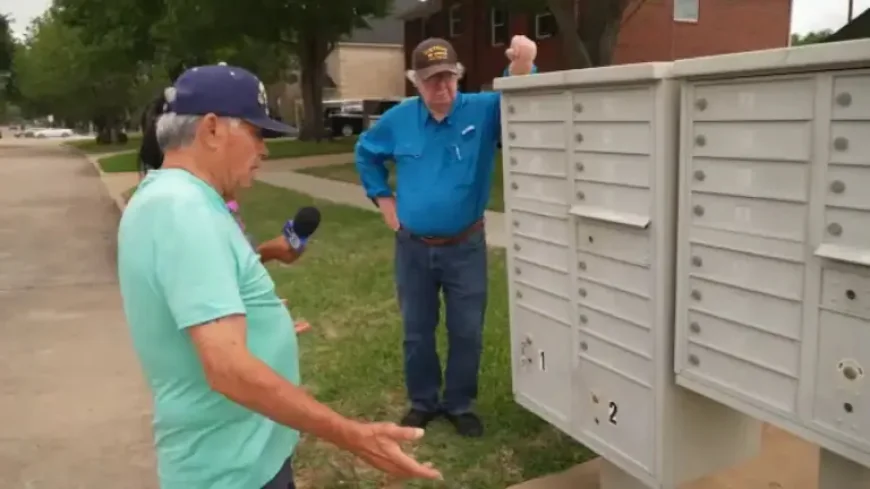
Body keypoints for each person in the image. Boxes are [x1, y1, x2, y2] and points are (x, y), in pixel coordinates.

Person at [118, 64, 441, 489]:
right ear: (212, 130)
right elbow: (227, 369)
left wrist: (261, 325)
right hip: (231, 470)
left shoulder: (175, 199)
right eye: (257, 134)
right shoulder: (183, 210)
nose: (265, 151)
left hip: (245, 455)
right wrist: (352, 435)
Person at [354, 36, 537, 438]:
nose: (443, 87)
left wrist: (522, 66)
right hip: (413, 248)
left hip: (465, 246)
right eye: (432, 79)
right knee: (417, 330)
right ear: (415, 82)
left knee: (466, 329)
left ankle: (459, 403)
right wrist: (383, 200)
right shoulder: (399, 119)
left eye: (449, 77)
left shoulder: (482, 110)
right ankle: (423, 402)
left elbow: (520, 100)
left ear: (459, 77)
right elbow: (365, 152)